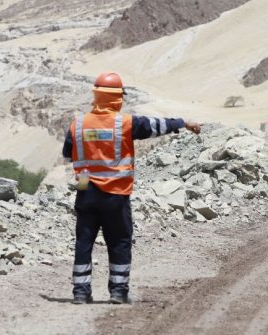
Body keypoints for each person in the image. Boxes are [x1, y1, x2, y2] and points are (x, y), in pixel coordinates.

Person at [62, 72, 201, 305]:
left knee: (84, 242)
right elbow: (156, 125)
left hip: (86, 192)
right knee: (119, 241)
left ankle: (80, 292)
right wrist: (184, 123)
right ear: (117, 98)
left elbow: (68, 154)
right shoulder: (125, 123)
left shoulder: (78, 124)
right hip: (116, 195)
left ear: (96, 96)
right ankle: (118, 291)